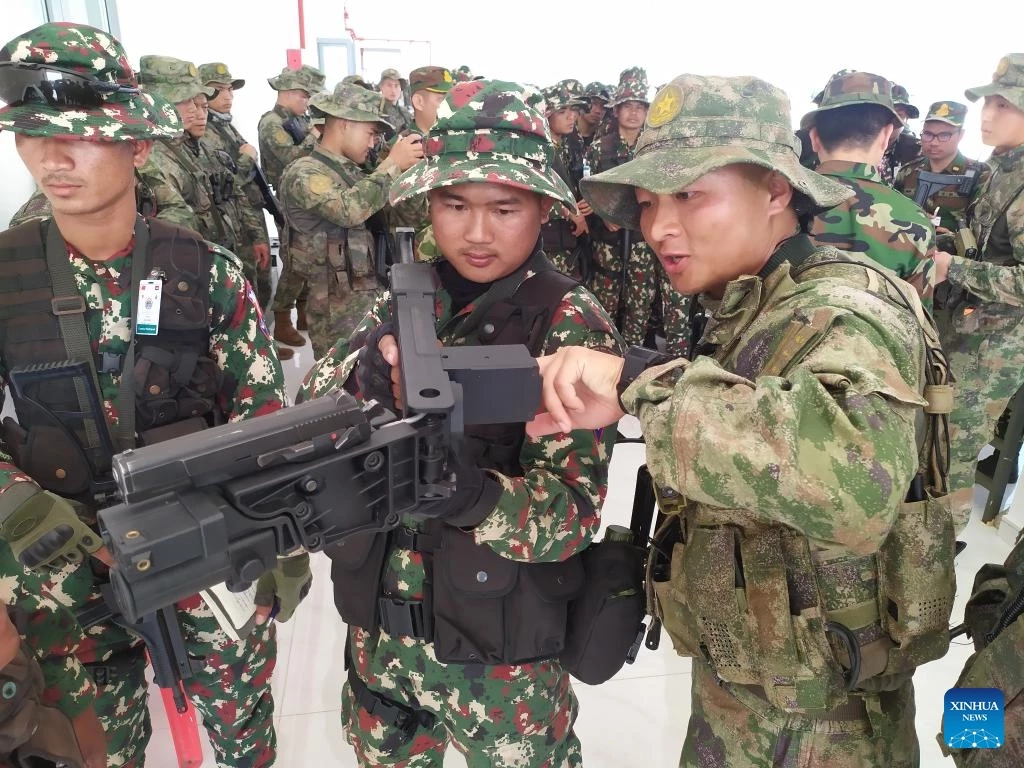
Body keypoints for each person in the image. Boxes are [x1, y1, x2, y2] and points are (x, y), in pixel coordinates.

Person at [528, 73, 956, 768]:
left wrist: (641, 384)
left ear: (777, 190)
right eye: (647, 202)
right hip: (757, 691)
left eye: (690, 195)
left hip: (820, 728)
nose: (660, 226)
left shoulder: (839, 311)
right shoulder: (760, 300)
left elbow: (857, 487)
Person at [0, 22, 308, 767]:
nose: (52, 156)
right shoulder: (8, 279)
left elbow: (264, 425)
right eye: (31, 134)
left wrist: (280, 541)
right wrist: (26, 510)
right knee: (89, 751)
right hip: (61, 571)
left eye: (81, 136)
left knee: (242, 740)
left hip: (205, 556)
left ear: (138, 145)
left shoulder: (206, 273)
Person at [297, 78, 621, 767]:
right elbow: (307, 414)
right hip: (383, 643)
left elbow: (571, 517)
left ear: (541, 208)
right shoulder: (404, 295)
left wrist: (473, 495)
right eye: (453, 205)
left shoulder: (568, 322)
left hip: (500, 662)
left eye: (504, 208)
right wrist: (357, 388)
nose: (475, 233)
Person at [933, 53, 1024, 531]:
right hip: (966, 328)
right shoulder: (1000, 166)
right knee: (937, 435)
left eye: (1004, 105)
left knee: (956, 450)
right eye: (988, 102)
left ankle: (942, 550)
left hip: (996, 348)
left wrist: (956, 267)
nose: (987, 115)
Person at [278, 82, 423, 358]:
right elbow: (350, 209)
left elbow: (408, 217)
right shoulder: (304, 172)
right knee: (343, 388)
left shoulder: (358, 174)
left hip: (372, 294)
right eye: (370, 133)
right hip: (336, 309)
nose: (372, 143)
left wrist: (410, 175)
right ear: (344, 123)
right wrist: (392, 164)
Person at [803, 71, 936, 306]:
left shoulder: (777, 203)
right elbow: (919, 324)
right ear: (886, 136)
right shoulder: (916, 222)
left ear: (814, 137)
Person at [259, 64, 326, 353]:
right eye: (302, 96)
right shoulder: (272, 123)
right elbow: (290, 157)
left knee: (307, 258)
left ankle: (302, 313)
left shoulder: (298, 119)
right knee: (295, 259)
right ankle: (282, 317)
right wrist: (314, 135)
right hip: (287, 200)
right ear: (286, 94)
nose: (306, 101)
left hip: (302, 197)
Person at [200, 61, 274, 312]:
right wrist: (247, 158)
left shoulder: (225, 125)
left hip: (247, 214)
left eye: (230, 89)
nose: (228, 96)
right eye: (219, 90)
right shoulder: (206, 132)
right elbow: (225, 181)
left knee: (260, 281)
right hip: (233, 222)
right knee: (246, 287)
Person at [894, 101, 990, 237]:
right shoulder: (907, 172)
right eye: (928, 134)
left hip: (954, 256)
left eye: (944, 135)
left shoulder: (981, 174)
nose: (933, 142)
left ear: (961, 135)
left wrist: (953, 238)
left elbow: (985, 231)